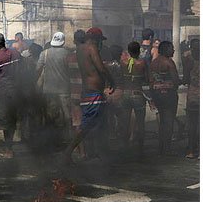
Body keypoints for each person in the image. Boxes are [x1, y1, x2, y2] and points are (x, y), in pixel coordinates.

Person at [64, 27, 114, 162]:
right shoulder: (91, 48)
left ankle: (99, 152)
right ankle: (68, 152)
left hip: (88, 92)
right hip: (93, 94)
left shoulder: (80, 49)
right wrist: (111, 80)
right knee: (87, 126)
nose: (100, 43)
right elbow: (101, 68)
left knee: (97, 124)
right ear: (94, 38)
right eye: (99, 40)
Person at [35, 32, 75, 146]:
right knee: (67, 116)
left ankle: (51, 140)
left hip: (49, 90)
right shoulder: (68, 54)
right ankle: (70, 139)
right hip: (64, 89)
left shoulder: (45, 53)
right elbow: (72, 71)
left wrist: (33, 83)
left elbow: (38, 70)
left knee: (51, 116)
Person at [0, 32, 24, 157]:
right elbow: (23, 70)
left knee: (4, 121)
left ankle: (9, 149)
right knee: (12, 119)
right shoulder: (16, 53)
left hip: (3, 93)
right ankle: (10, 146)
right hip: (16, 91)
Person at [117, 41, 148, 154]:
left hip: (125, 94)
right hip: (138, 94)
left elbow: (120, 77)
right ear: (138, 51)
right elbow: (147, 79)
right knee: (140, 122)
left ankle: (124, 146)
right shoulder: (142, 63)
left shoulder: (123, 62)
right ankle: (140, 147)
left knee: (125, 122)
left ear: (129, 51)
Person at [150, 41, 180, 155]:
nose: (173, 50)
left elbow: (151, 80)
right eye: (171, 48)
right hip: (169, 95)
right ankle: (166, 148)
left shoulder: (153, 63)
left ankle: (160, 146)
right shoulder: (169, 62)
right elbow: (175, 80)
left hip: (157, 95)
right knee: (169, 121)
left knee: (162, 121)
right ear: (166, 50)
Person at [183, 39, 201, 159]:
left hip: (193, 95)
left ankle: (191, 150)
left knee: (192, 124)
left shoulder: (189, 61)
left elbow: (185, 79)